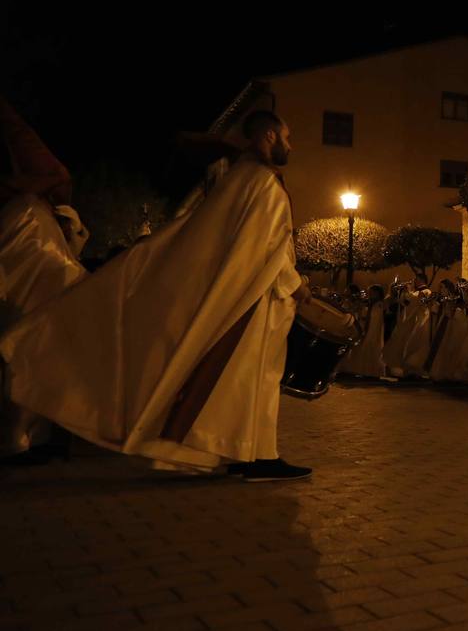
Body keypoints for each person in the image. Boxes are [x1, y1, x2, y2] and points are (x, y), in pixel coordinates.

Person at [0, 109, 312, 481]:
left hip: (247, 297)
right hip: (255, 300)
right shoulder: (262, 183)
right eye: (287, 137)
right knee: (252, 378)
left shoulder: (239, 178)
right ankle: (257, 457)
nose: (291, 145)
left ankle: (253, 455)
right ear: (269, 137)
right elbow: (269, 248)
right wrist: (297, 285)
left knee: (243, 381)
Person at [0, 97, 88, 462]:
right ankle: (23, 436)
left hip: (28, 244)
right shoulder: (27, 215)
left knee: (29, 340)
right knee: (25, 339)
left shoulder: (32, 212)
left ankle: (31, 434)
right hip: (25, 245)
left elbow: (56, 175)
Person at [385, 282, 433, 378]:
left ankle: (415, 369)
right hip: (411, 321)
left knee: (417, 343)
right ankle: (408, 368)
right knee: (406, 343)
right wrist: (404, 293)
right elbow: (405, 303)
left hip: (421, 321)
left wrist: (409, 291)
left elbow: (417, 300)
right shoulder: (414, 292)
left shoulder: (426, 291)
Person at [339, 284, 388, 378]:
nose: (370, 294)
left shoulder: (380, 304)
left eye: (372, 293)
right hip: (367, 328)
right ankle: (365, 370)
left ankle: (373, 371)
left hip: (374, 330)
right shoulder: (369, 303)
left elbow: (375, 318)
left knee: (373, 348)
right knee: (365, 348)